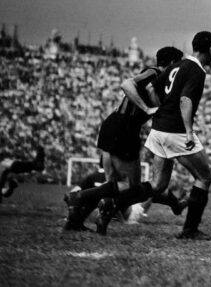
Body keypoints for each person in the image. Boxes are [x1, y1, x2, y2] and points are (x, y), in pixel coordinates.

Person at [63, 46, 185, 234]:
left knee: (111, 184)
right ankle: (78, 197)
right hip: (124, 128)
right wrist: (146, 109)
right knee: (130, 186)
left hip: (114, 125)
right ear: (171, 64)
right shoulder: (154, 73)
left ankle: (74, 221)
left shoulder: (161, 83)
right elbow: (127, 84)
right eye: (178, 64)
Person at [142, 31, 211, 240]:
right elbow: (185, 100)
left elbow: (150, 88)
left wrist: (162, 109)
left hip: (159, 128)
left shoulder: (176, 65)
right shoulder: (196, 70)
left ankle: (105, 199)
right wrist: (189, 132)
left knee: (158, 185)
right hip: (176, 131)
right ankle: (190, 230)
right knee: (204, 178)